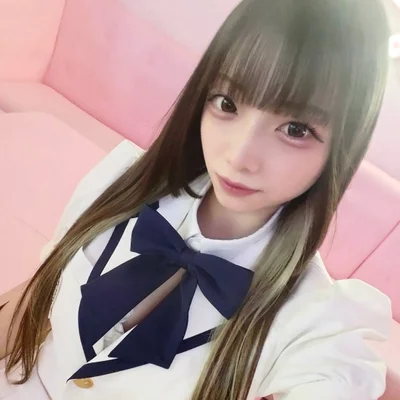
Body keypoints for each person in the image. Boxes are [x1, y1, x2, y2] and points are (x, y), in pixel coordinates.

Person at [0, 0, 393, 399]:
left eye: (295, 129)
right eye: (227, 103)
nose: (239, 156)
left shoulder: (315, 322)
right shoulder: (120, 181)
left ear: (342, 149)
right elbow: (33, 300)